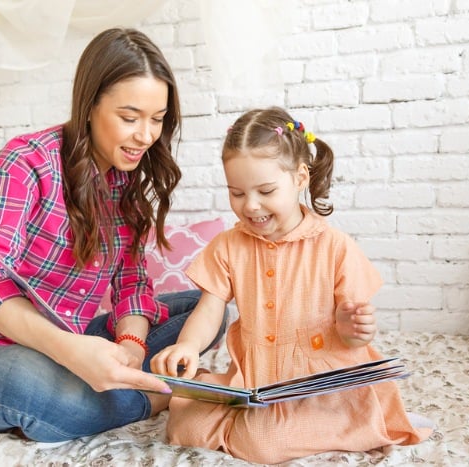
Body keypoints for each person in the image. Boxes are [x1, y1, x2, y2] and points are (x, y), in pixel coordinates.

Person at [0, 27, 227, 442]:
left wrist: (133, 348)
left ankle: (114, 383)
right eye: (129, 117)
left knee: (206, 309)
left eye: (156, 120)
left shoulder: (124, 182)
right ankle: (159, 395)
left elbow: (131, 284)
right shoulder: (24, 164)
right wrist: (71, 351)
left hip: (69, 342)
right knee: (28, 383)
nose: (145, 135)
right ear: (89, 105)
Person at [151, 106, 433, 464]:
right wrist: (188, 346)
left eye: (265, 190)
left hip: (317, 381)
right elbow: (210, 307)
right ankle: (248, 417)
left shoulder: (335, 246)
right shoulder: (229, 245)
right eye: (236, 193)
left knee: (262, 444)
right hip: (258, 376)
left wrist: (351, 331)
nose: (250, 206)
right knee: (183, 425)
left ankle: (363, 420)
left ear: (300, 177)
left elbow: (357, 337)